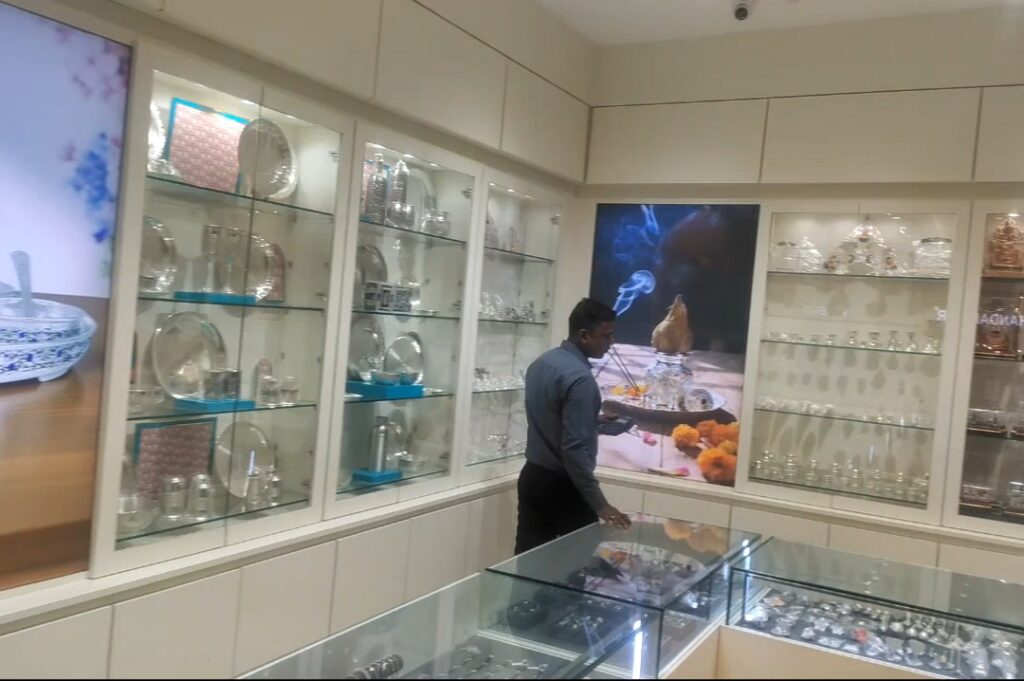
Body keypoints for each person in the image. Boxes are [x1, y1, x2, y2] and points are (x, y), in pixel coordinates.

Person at [515, 298, 632, 555]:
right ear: (584, 335)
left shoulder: (541, 364)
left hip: (533, 477)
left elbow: (551, 418)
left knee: (528, 562)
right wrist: (600, 505)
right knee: (576, 566)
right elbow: (574, 450)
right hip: (565, 487)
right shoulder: (581, 380)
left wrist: (593, 420)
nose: (611, 343)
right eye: (606, 335)